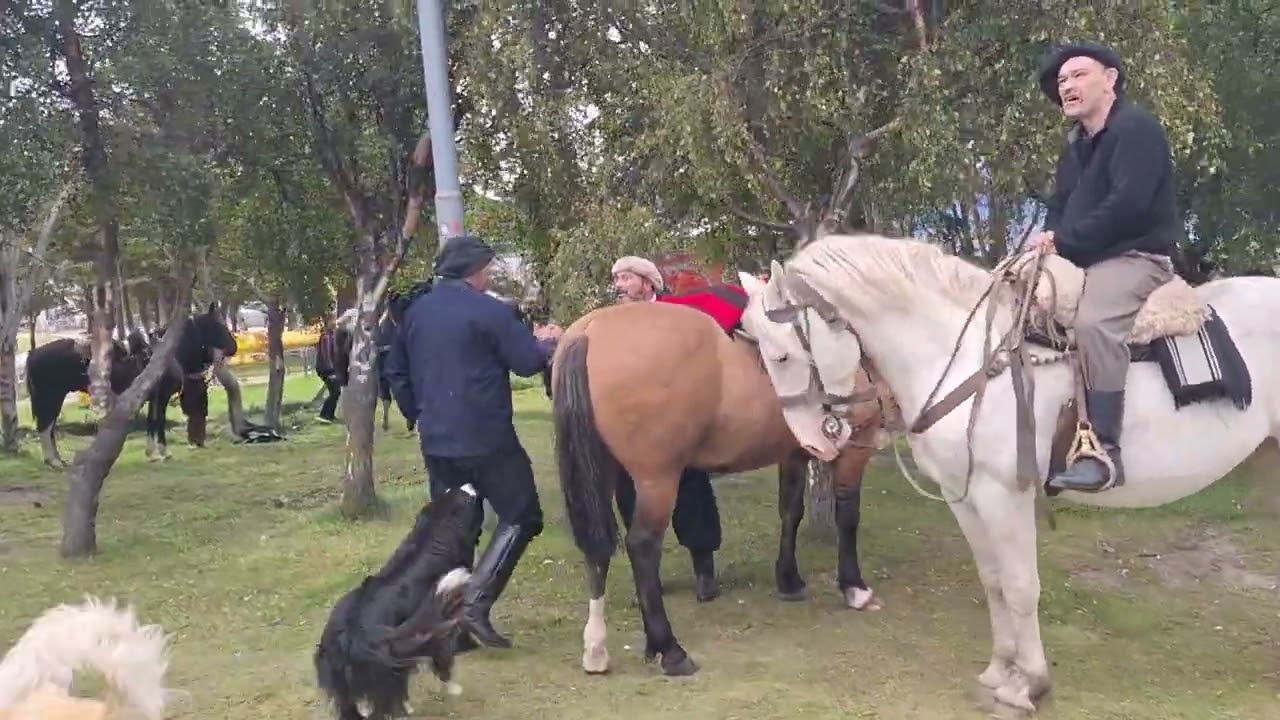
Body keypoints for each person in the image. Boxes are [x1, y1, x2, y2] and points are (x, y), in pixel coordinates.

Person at [383, 235, 561, 649]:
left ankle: (450, 629)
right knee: (522, 516)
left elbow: (396, 372)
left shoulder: (415, 312)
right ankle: (475, 605)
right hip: (487, 439)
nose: (489, 276)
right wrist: (548, 343)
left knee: (454, 530)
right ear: (475, 271)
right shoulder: (489, 311)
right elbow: (526, 361)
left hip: (437, 442)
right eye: (487, 268)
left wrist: (420, 416)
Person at [1030, 43, 1180, 493]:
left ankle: (1103, 452)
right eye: (1061, 82)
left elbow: (1128, 206)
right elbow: (1059, 208)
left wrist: (1064, 241)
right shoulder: (1075, 145)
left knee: (1094, 322)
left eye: (1078, 75)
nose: (1068, 87)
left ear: (1110, 79)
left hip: (1136, 257)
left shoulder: (1137, 129)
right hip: (1085, 256)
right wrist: (1046, 244)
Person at [610, 255, 723, 602]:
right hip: (632, 426)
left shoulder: (678, 317)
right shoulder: (613, 323)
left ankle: (704, 571)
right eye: (617, 279)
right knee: (632, 500)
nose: (619, 286)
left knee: (692, 495)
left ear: (647, 282)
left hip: (677, 423)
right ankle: (648, 576)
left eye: (626, 278)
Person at [314, 312, 347, 423]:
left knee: (336, 391)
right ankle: (324, 415)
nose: (334, 322)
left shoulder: (333, 334)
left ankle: (330, 415)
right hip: (325, 369)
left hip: (331, 368)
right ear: (327, 323)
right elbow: (326, 354)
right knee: (335, 391)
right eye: (332, 320)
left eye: (335, 320)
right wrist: (332, 371)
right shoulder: (326, 337)